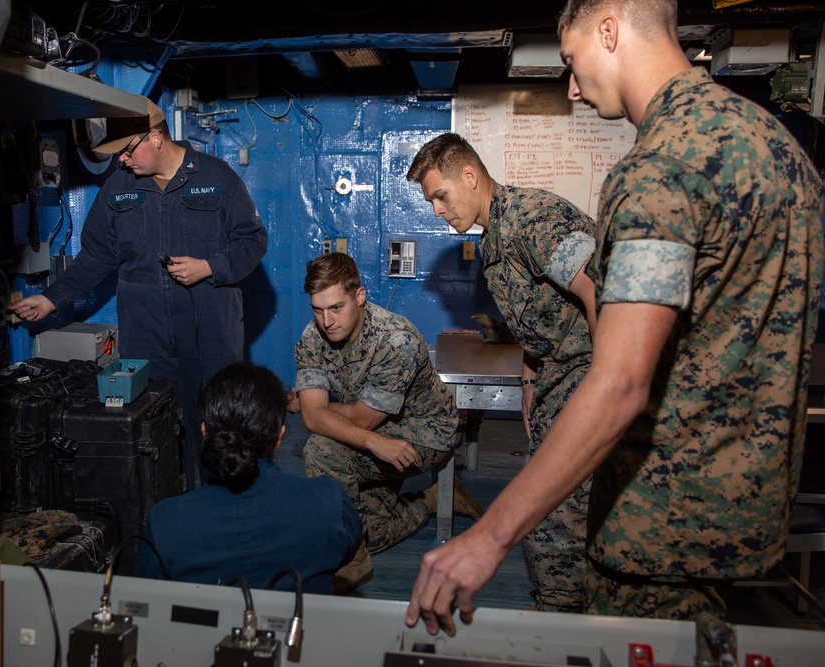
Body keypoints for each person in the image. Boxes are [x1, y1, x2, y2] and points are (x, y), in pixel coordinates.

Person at [407, 0, 824, 634]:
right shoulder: (777, 146)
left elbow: (620, 371)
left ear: (610, 30)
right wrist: (534, 377)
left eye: (572, 61)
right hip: (741, 497)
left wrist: (488, 537)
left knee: (596, 627)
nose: (573, 88)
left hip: (656, 504)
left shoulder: (661, 168)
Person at [7, 96, 267, 489]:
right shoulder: (118, 187)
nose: (123, 160)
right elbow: (95, 256)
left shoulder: (217, 176)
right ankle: (164, 505)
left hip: (210, 323)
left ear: (156, 137)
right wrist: (51, 298)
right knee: (153, 417)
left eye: (128, 150)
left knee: (219, 417)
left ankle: (220, 503)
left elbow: (252, 240)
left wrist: (209, 267)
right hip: (145, 326)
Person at [406, 132, 596, 613]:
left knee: (552, 502)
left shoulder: (533, 219)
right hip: (558, 374)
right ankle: (563, 606)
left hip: (591, 371)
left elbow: (602, 294)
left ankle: (560, 616)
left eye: (440, 196)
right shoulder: (493, 240)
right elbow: (535, 321)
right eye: (431, 202)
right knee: (559, 501)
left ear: (470, 177)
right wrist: (530, 380)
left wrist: (605, 386)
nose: (437, 211)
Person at [288, 252, 484, 594]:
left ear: (360, 296)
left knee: (321, 449)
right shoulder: (311, 337)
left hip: (425, 433)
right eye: (318, 310)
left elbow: (355, 419)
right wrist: (371, 440)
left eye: (336, 308)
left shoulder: (396, 340)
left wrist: (323, 410)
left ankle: (351, 561)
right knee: (368, 532)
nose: (327, 321)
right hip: (378, 434)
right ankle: (433, 499)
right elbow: (312, 416)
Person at [139, 362, 361, 594]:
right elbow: (347, 550)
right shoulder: (329, 504)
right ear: (280, 436)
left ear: (204, 432)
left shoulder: (164, 524)